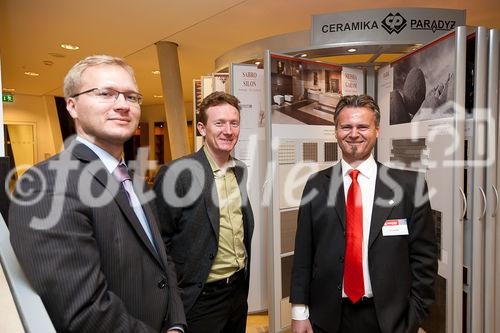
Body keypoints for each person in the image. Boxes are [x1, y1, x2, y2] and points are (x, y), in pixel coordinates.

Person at [9, 55, 186, 332]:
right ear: (72, 105)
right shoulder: (47, 183)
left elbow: (163, 258)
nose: (122, 105)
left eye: (131, 97)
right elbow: (83, 312)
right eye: (105, 93)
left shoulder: (134, 182)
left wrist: (177, 323)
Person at [290, 94, 437, 333]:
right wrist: (299, 312)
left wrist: (414, 316)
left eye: (363, 126)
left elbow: (424, 258)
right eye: (346, 126)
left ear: (377, 130)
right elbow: (304, 253)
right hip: (328, 318)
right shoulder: (316, 185)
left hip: (389, 320)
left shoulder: (409, 186)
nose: (354, 133)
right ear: (336, 131)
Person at [153, 91, 254, 333]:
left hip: (238, 292)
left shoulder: (239, 169)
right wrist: (171, 307)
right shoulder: (177, 174)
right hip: (200, 298)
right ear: (201, 128)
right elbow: (159, 243)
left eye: (234, 123)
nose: (228, 131)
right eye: (219, 123)